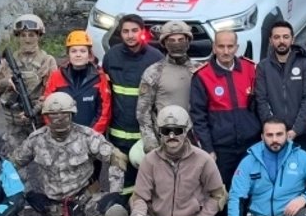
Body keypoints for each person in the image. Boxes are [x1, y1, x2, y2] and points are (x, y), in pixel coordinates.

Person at [12, 92, 128, 216]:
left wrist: (115, 192)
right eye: (53, 115)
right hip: (57, 207)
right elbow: (11, 166)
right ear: (46, 116)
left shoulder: (86, 135)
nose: (58, 119)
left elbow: (117, 158)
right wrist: (26, 193)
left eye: (63, 114)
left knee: (115, 212)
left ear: (72, 114)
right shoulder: (36, 140)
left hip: (86, 199)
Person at [190, 29, 261, 216]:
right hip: (222, 148)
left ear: (237, 48)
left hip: (250, 143)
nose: (226, 51)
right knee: (222, 191)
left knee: (251, 186)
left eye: (230, 46)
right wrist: (208, 149)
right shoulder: (202, 76)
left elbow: (260, 105)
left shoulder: (251, 69)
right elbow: (199, 118)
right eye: (221, 46)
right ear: (214, 48)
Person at [102, 14, 164, 189]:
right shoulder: (111, 56)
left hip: (146, 135)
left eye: (134, 31)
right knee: (120, 183)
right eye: (126, 31)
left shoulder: (155, 57)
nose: (130, 35)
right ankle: (122, 213)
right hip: (118, 134)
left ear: (142, 32)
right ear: (120, 34)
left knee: (148, 181)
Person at [0, 14, 56, 158]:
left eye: (31, 34)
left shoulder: (47, 61)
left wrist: (34, 111)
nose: (27, 39)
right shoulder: (8, 62)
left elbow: (53, 94)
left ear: (39, 35)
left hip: (39, 124)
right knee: (15, 169)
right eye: (23, 35)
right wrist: (5, 82)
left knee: (47, 165)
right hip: (14, 127)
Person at [136, 21, 203, 154]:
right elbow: (143, 113)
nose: (176, 44)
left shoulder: (200, 70)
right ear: (164, 43)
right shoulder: (154, 72)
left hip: (195, 141)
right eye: (171, 40)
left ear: (188, 41)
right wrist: (151, 144)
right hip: (165, 140)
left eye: (181, 40)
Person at [256, 20, 306, 154]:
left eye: (285, 37)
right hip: (274, 136)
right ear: (271, 40)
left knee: (300, 173)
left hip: (301, 134)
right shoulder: (263, 67)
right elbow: (261, 100)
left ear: (292, 39)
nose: (281, 41)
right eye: (277, 37)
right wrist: (274, 130)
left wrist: (295, 130)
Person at [43, 30, 113, 134]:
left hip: (91, 137)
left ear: (89, 54)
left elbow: (104, 111)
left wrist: (92, 136)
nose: (78, 55)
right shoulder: (57, 76)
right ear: (68, 54)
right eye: (74, 51)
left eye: (82, 51)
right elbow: (47, 106)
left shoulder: (99, 77)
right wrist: (56, 131)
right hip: (62, 136)